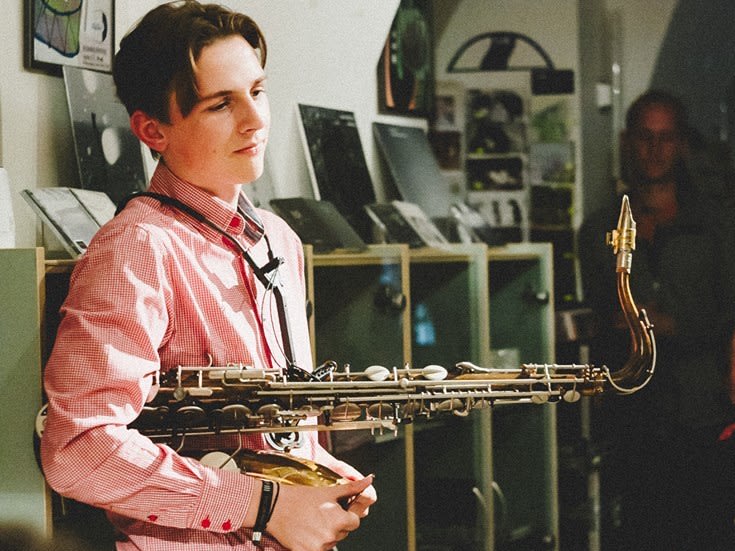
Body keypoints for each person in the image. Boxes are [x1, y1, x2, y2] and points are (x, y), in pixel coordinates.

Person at [39, 2, 376, 550]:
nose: (255, 119)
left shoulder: (279, 239)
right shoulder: (138, 246)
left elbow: (275, 429)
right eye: (221, 103)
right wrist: (262, 505)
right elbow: (77, 449)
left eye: (257, 91)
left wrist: (316, 473)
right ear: (153, 130)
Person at [579, 89, 735, 550]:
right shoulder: (599, 229)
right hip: (633, 417)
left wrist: (672, 325)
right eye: (646, 137)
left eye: (666, 137)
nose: (655, 149)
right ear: (628, 141)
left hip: (703, 411)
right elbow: (596, 313)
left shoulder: (716, 226)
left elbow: (729, 312)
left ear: (682, 143)